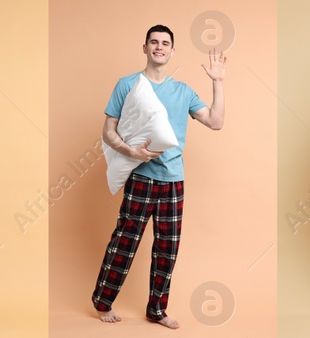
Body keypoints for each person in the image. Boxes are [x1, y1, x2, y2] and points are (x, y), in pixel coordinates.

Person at [90, 24, 228, 330]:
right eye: (154, 42)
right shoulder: (127, 85)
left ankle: (157, 309)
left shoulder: (183, 91)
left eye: (165, 43)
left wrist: (218, 82)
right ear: (145, 47)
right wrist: (131, 152)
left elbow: (216, 122)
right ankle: (103, 301)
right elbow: (107, 131)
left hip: (173, 182)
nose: (159, 47)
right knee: (124, 242)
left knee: (168, 248)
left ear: (172, 51)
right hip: (140, 178)